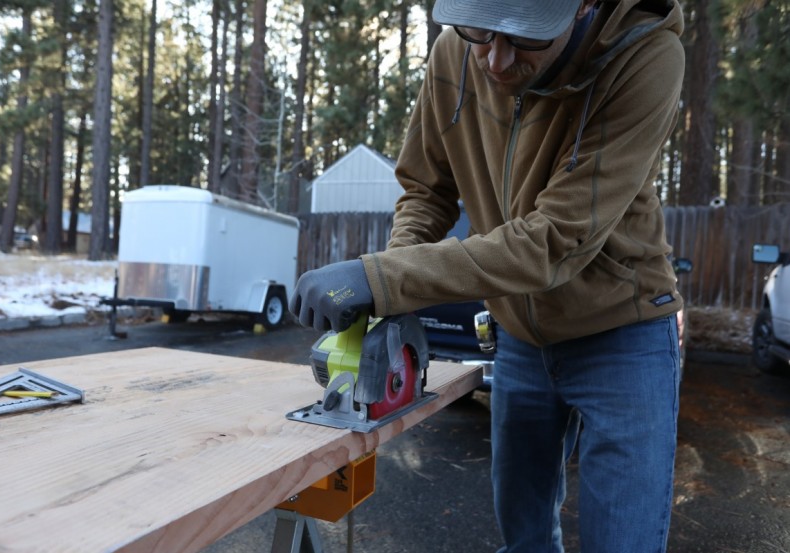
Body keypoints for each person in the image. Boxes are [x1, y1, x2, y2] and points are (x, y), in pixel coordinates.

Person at [290, 0, 685, 550]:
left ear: (583, 7)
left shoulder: (645, 55)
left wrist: (383, 277)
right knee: (524, 540)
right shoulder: (454, 52)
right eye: (480, 31)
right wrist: (392, 298)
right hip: (519, 335)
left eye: (525, 37)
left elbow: (554, 241)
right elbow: (427, 192)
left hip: (621, 333)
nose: (495, 60)